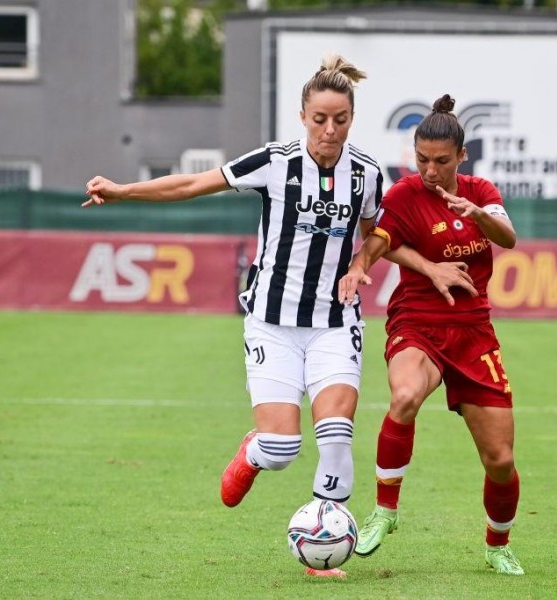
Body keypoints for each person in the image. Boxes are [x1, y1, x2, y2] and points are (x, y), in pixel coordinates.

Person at [84, 56, 472, 579]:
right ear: (303, 115)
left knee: (336, 435)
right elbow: (194, 184)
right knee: (282, 447)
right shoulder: (274, 162)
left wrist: (372, 263)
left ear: (351, 118)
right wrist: (122, 190)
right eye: (319, 119)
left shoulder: (366, 173)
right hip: (272, 322)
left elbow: (381, 233)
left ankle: (320, 553)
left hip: (335, 322)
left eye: (339, 119)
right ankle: (254, 451)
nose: (329, 129)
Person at [338, 94, 525, 576]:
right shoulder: (403, 195)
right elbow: (379, 239)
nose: (430, 170)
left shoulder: (481, 191)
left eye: (441, 161)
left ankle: (497, 544)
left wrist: (478, 213)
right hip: (417, 322)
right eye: (421, 159)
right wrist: (360, 267)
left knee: (500, 459)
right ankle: (384, 511)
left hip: (472, 334)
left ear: (461, 157)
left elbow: (508, 237)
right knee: (404, 395)